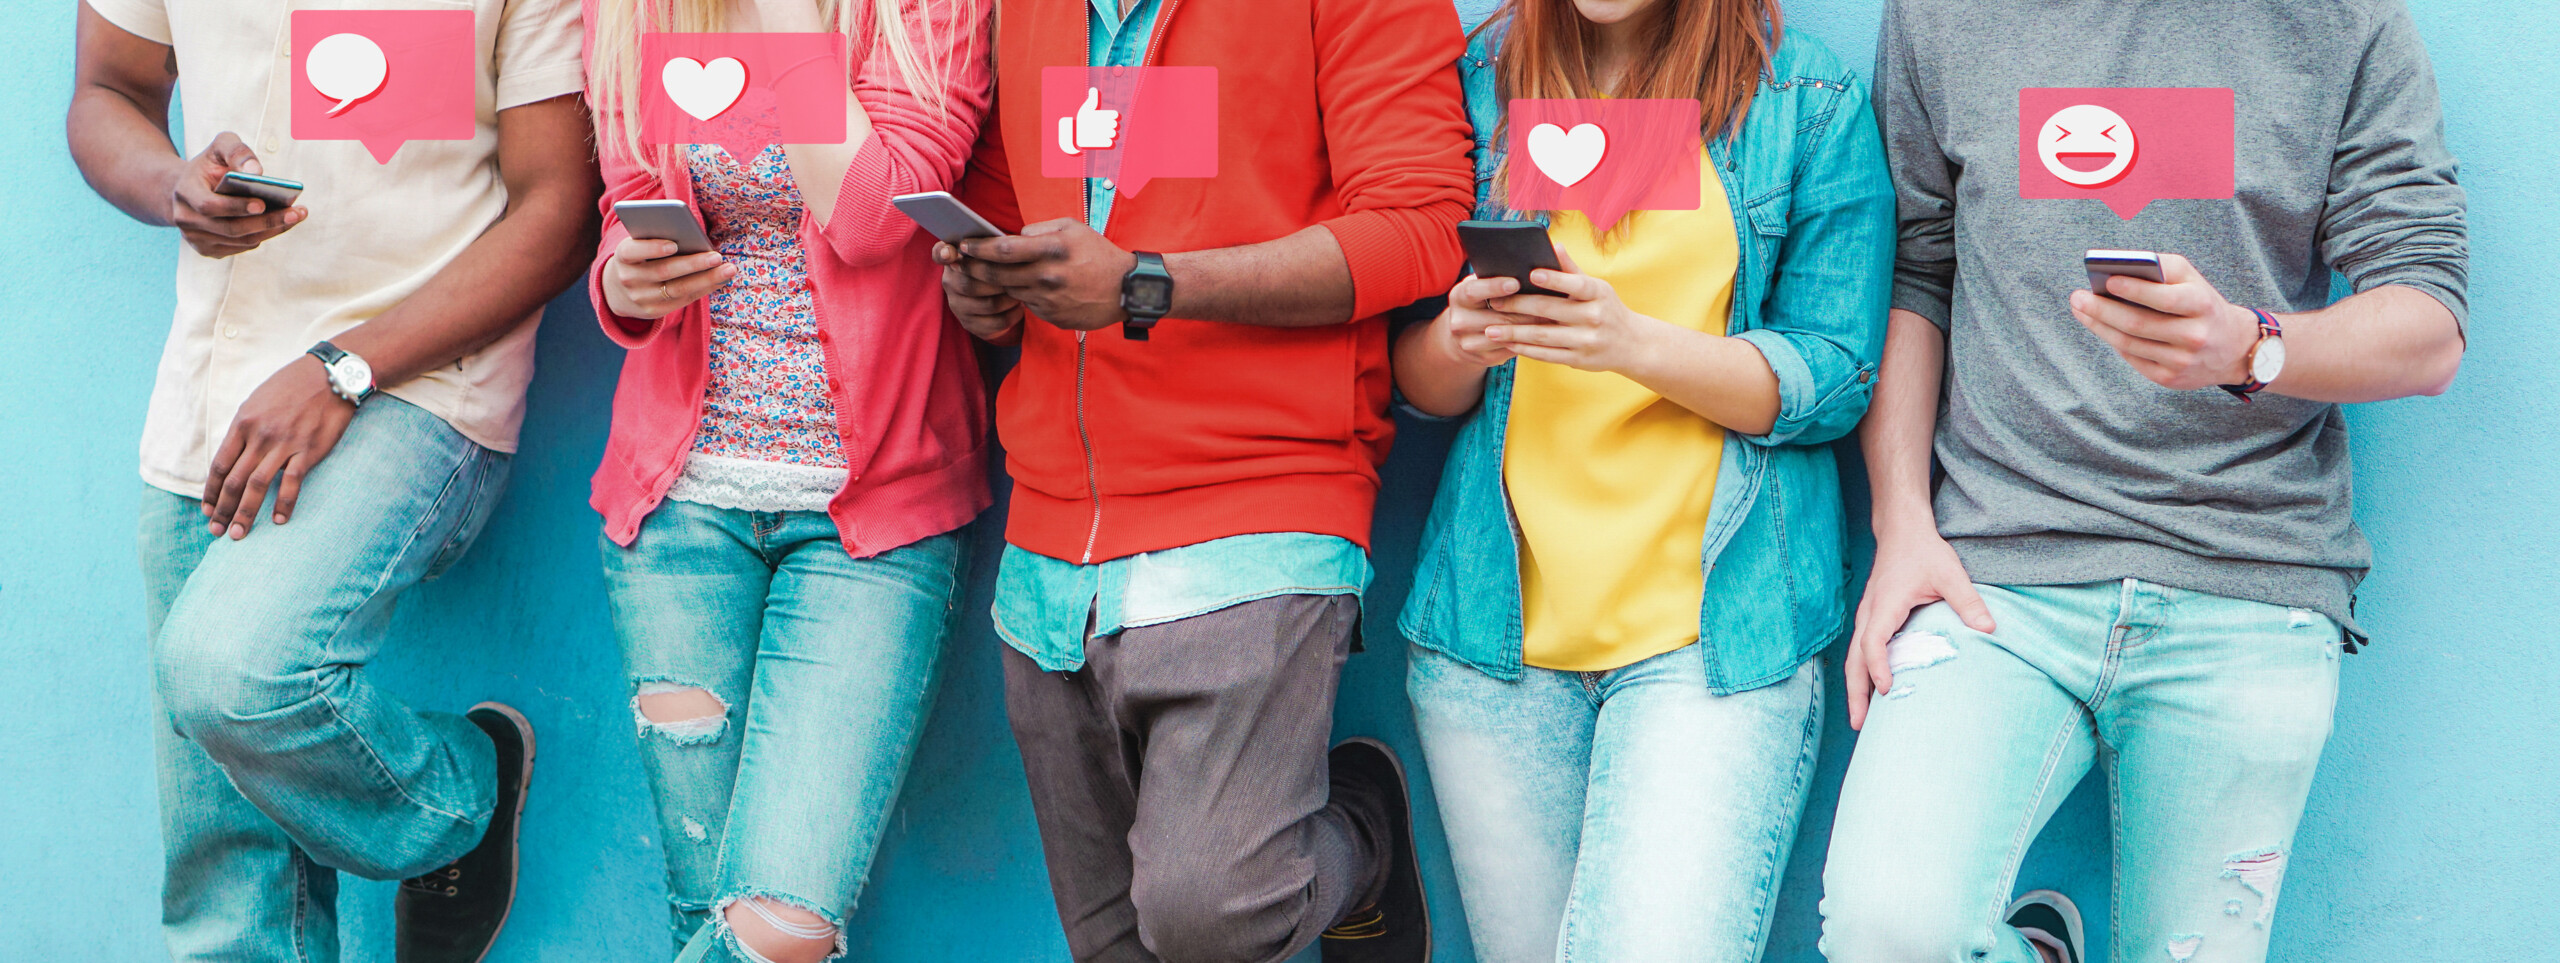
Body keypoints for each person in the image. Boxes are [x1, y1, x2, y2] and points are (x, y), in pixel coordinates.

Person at [1818, 1, 2468, 961]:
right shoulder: (1942, 15)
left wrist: (2252, 345)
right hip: (1997, 576)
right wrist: (1902, 523)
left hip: (2250, 578)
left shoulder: (2343, 21)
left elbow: (2430, 326)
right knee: (1888, 929)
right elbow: (1918, 272)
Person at [931, 0, 1474, 956]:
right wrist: (986, 286)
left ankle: (1362, 834)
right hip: (1052, 549)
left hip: (1256, 511)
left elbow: (1419, 224)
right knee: (1115, 944)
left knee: (1217, 911)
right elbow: (1008, 208)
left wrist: (1148, 281)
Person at [65, 0, 598, 959]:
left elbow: (558, 212)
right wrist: (171, 184)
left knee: (232, 672)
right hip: (212, 392)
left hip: (423, 381)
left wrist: (340, 368)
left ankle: (460, 800)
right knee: (223, 885)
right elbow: (111, 88)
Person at [1392, 0, 1891, 959]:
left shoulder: (1808, 95)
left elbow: (1835, 377)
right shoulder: (1479, 76)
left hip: (1713, 640)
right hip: (1493, 644)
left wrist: (1632, 344)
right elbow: (1409, 380)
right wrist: (1459, 341)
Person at [580, 0, 995, 959]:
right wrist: (620, 281)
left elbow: (866, 215)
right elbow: (629, 202)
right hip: (678, 513)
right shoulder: (639, 9)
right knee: (702, 916)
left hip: (873, 523)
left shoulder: (924, 14)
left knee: (778, 932)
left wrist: (783, 14)